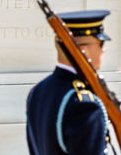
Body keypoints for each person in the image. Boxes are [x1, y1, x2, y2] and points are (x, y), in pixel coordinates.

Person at [26, 10, 112, 155]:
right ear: (83, 51)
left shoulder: (38, 91)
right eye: (101, 44)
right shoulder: (84, 104)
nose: (104, 51)